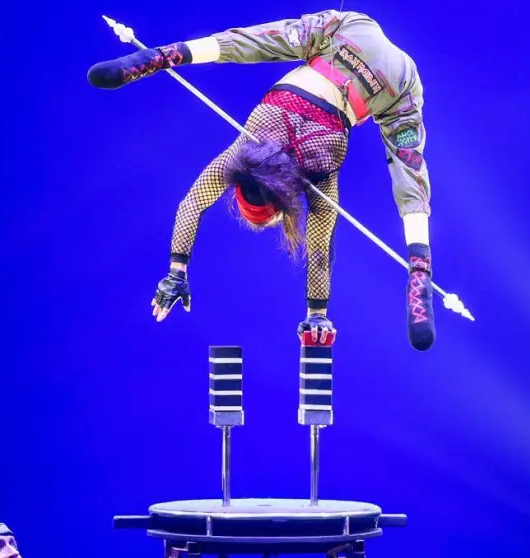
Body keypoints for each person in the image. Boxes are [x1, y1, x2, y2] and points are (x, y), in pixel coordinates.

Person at [89, 9, 439, 351]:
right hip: (305, 83)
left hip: (330, 134)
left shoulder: (310, 176)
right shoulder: (247, 151)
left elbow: (318, 249)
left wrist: (317, 315)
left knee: (385, 182)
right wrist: (174, 271)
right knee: (258, 42)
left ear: (279, 209)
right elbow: (191, 203)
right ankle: (166, 54)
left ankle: (419, 266)